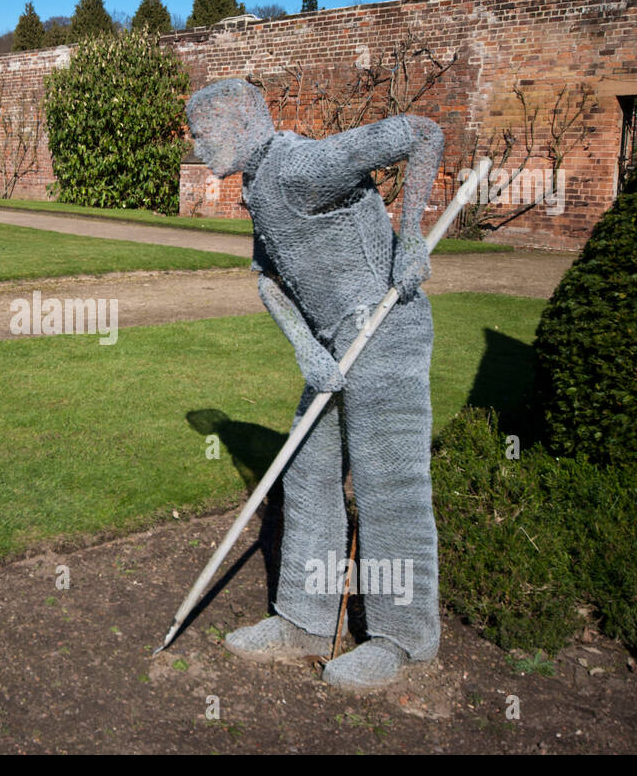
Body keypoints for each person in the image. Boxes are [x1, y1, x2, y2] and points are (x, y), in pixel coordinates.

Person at [185, 78, 444, 691]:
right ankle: (304, 620)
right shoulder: (258, 186)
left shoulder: (304, 163)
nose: (196, 148)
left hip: (386, 329)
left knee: (388, 482)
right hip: (331, 344)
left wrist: (410, 240)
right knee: (304, 465)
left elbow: (421, 133)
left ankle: (401, 640)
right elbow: (268, 280)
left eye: (201, 134)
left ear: (237, 122)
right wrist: (305, 348)